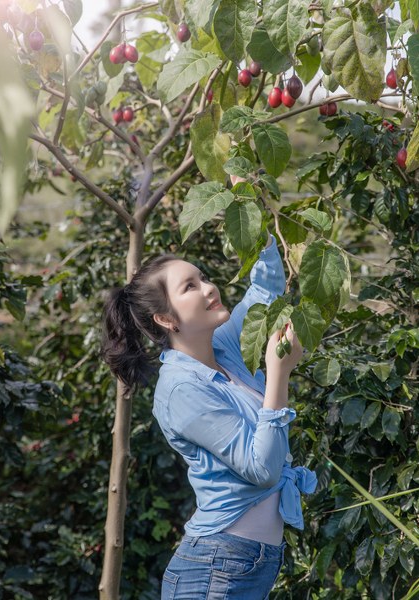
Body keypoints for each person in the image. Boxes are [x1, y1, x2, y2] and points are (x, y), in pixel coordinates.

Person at [101, 224, 317, 600]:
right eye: (190, 286)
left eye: (202, 278)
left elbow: (264, 291)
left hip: (248, 564)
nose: (209, 287)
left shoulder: (223, 349)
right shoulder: (180, 389)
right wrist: (278, 374)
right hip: (215, 571)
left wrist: (258, 226)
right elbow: (262, 470)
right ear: (166, 319)